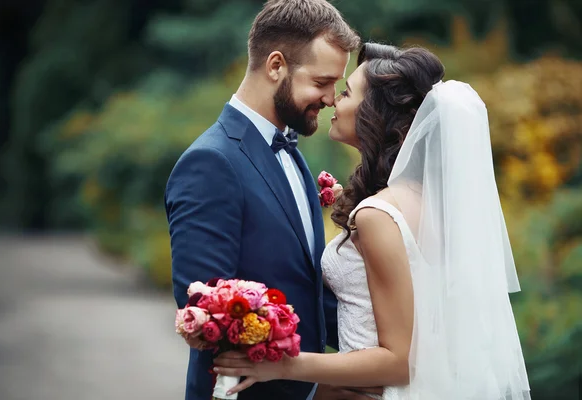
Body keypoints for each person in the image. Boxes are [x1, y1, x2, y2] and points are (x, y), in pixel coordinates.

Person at [213, 42, 532, 400]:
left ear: (374, 112)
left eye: (347, 92)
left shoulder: (379, 216)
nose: (334, 101)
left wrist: (280, 365)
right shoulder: (428, 204)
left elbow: (400, 361)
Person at [164, 1, 381, 399]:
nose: (333, 98)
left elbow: (306, 293)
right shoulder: (210, 162)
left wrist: (387, 350)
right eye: (322, 82)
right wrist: (317, 387)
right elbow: (208, 309)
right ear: (276, 65)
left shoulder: (292, 153)